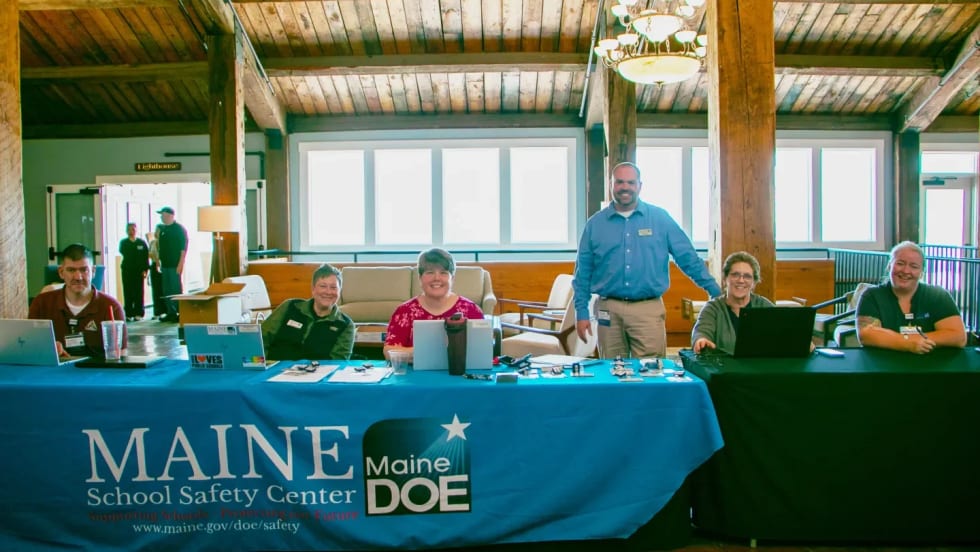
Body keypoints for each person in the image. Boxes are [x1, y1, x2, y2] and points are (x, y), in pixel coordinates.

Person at [573, 161, 722, 358]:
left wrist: (714, 290)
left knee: (651, 370)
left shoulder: (660, 218)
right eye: (619, 182)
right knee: (611, 369)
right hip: (608, 311)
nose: (625, 187)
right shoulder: (595, 224)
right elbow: (582, 272)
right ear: (611, 185)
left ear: (640, 186)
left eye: (631, 182)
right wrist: (581, 312)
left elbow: (688, 258)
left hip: (647, 309)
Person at [857, 241, 966, 353]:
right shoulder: (872, 296)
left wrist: (916, 340)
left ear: (922, 273)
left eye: (914, 266)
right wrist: (907, 343)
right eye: (900, 263)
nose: (906, 271)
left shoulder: (938, 296)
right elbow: (866, 334)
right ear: (889, 266)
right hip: (883, 362)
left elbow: (958, 337)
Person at [384, 248, 484, 361]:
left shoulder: (471, 310)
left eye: (443, 273)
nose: (436, 278)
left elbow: (483, 350)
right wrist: (423, 351)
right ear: (420, 278)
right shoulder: (404, 312)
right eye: (430, 272)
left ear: (452, 278)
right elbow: (389, 352)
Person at [28, 243, 126, 357]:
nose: (78, 277)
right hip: (55, 368)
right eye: (71, 270)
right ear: (61, 272)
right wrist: (47, 348)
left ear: (93, 271)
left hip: (97, 368)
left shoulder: (111, 307)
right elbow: (30, 346)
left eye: (84, 270)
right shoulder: (41, 303)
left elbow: (121, 354)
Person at [262, 263, 355, 361]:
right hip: (274, 368)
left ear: (339, 291)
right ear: (313, 289)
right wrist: (261, 364)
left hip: (316, 370)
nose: (328, 292)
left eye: (333, 287)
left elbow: (338, 362)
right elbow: (261, 340)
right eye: (323, 286)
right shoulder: (290, 306)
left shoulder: (345, 325)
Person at [691, 251, 774, 354]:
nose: (741, 280)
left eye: (747, 276)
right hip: (723, 364)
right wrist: (701, 340)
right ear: (725, 279)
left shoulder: (765, 306)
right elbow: (701, 331)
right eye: (735, 275)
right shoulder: (712, 308)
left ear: (754, 283)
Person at [156, 206, 188, 323]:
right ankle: (170, 312)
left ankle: (179, 312)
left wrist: (181, 263)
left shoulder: (179, 229)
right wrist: (158, 261)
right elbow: (159, 246)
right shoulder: (163, 229)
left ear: (170, 216)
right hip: (165, 264)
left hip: (175, 264)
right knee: (166, 289)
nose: (161, 217)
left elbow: (183, 248)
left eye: (163, 215)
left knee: (175, 288)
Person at [118, 222, 150, 321]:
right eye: (129, 229)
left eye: (133, 229)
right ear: (126, 231)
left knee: (138, 292)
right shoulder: (124, 242)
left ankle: (138, 313)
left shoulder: (141, 243)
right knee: (128, 291)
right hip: (127, 270)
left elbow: (145, 257)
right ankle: (128, 313)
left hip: (139, 271)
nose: (131, 231)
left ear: (136, 230)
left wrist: (145, 269)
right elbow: (123, 252)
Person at [147, 225, 165, 319]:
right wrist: (153, 257)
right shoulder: (152, 242)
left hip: (163, 266)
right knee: (155, 289)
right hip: (154, 265)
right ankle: (157, 311)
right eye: (156, 231)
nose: (157, 233)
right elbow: (149, 253)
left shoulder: (165, 242)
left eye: (159, 231)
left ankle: (165, 310)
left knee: (163, 289)